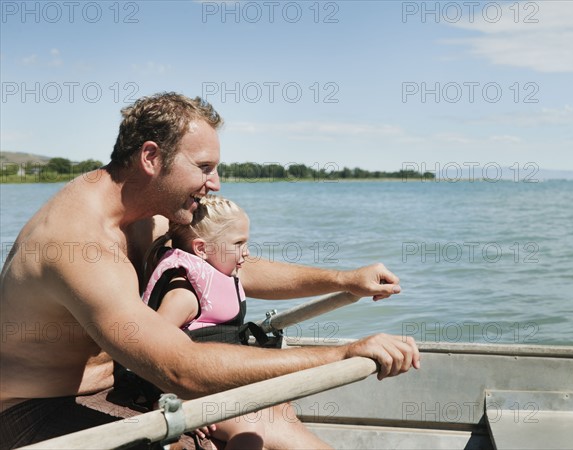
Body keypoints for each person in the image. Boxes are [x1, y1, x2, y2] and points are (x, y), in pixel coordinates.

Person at [0, 92, 420, 449]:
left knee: (270, 416)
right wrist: (342, 354)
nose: (215, 183)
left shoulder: (149, 213)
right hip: (33, 412)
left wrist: (343, 280)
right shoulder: (79, 244)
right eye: (203, 167)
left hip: (117, 387)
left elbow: (222, 269)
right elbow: (179, 368)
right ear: (150, 157)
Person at [135, 194, 331, 449]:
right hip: (192, 391)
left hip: (218, 382)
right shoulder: (185, 294)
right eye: (238, 243)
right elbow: (148, 348)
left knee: (281, 404)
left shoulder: (221, 277)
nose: (247, 252)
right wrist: (175, 400)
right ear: (201, 249)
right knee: (248, 427)